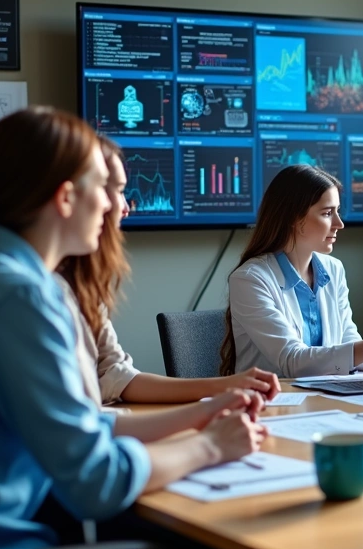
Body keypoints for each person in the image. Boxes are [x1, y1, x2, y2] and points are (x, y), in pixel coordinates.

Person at [0, 107, 266, 549]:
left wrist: (201, 414)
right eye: (102, 187)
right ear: (65, 197)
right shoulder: (20, 296)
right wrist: (209, 447)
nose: (112, 206)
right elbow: (95, 481)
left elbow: (81, 427)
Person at [57, 137, 280, 405]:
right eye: (114, 191)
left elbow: (117, 375)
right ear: (67, 196)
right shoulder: (34, 292)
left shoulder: (82, 283)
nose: (126, 207)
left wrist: (226, 387)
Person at [220, 164, 363, 378]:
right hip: (271, 405)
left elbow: (347, 344)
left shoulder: (333, 269)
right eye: (327, 213)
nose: (339, 224)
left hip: (322, 398)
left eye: (337, 211)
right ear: (293, 218)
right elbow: (292, 361)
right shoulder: (249, 280)